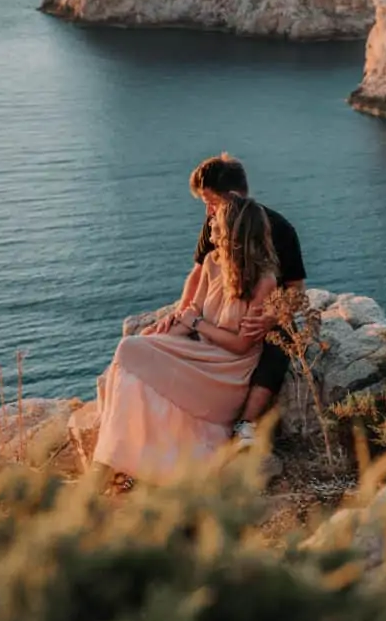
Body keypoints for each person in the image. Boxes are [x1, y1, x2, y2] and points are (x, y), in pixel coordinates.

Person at [92, 197, 279, 488]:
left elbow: (241, 344)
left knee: (132, 351)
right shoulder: (211, 262)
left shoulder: (264, 281)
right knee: (135, 347)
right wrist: (162, 338)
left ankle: (110, 465)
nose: (210, 223)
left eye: (216, 219)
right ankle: (118, 458)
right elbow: (192, 312)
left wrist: (196, 324)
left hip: (228, 371)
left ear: (232, 229)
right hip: (201, 352)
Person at [148, 154, 306, 449]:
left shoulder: (280, 229)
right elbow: (199, 272)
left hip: (261, 308)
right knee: (172, 337)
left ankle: (245, 423)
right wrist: (183, 310)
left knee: (280, 344)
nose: (207, 211)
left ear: (231, 196)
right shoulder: (213, 224)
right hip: (220, 309)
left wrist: (272, 317)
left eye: (209, 201)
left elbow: (296, 287)